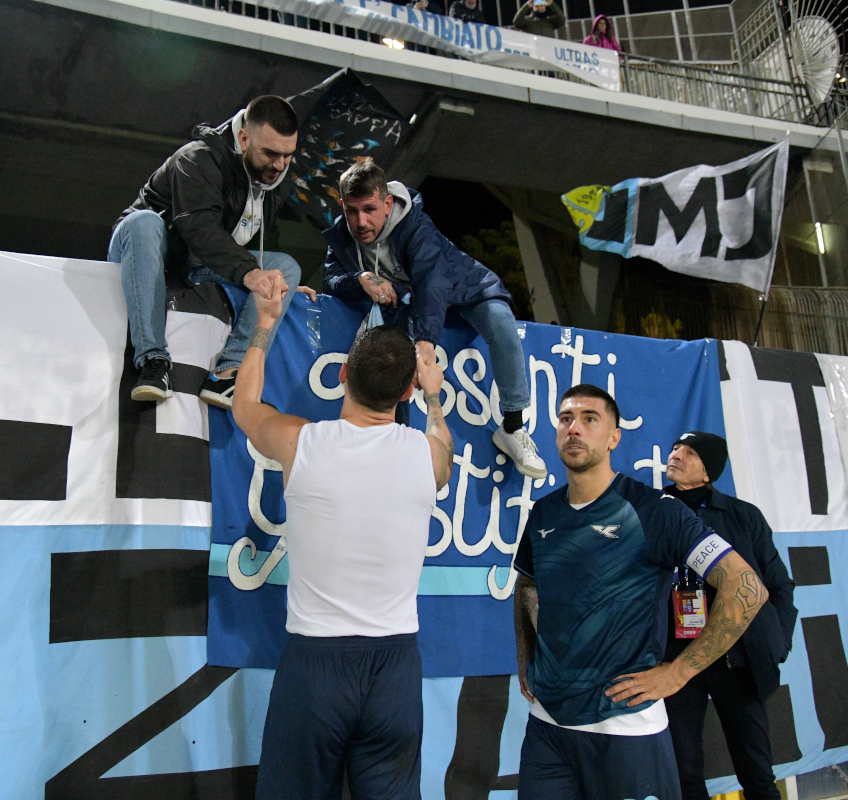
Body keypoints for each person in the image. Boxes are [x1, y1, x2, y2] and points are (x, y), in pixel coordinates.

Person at [233, 275, 454, 800]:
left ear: (341, 374)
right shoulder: (428, 457)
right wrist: (434, 397)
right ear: (404, 393)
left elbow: (244, 407)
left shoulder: (300, 443)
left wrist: (264, 325)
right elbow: (441, 437)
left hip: (316, 669)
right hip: (395, 671)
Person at [511, 384, 769, 800]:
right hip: (548, 727)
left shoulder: (656, 510)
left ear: (614, 437)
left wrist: (679, 672)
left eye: (590, 419)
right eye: (565, 419)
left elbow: (747, 587)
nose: (574, 428)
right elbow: (527, 585)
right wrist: (526, 654)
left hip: (626, 730)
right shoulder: (544, 512)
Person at [322, 160, 547, 479]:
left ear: (387, 203)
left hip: (458, 286)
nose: (361, 221)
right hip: (407, 306)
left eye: (369, 209)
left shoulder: (416, 225)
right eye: (352, 211)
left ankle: (512, 426)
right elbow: (330, 278)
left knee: (501, 321)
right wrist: (359, 279)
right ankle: (391, 443)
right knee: (392, 361)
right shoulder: (343, 233)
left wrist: (426, 340)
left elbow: (432, 281)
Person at [108, 95, 316, 407]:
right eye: (271, 153)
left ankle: (228, 372)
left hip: (198, 262)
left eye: (288, 155)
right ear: (244, 138)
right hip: (144, 250)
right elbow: (199, 228)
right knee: (144, 221)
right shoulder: (198, 158)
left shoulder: (275, 179)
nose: (280, 165)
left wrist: (275, 283)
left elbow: (254, 241)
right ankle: (153, 361)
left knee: (285, 266)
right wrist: (249, 271)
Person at [663, 431, 798, 800]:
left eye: (689, 452)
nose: (676, 455)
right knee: (682, 771)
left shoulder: (743, 516)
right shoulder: (651, 512)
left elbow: (779, 586)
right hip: (674, 660)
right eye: (675, 448)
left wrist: (776, 642)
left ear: (708, 473)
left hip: (735, 658)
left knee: (756, 771)